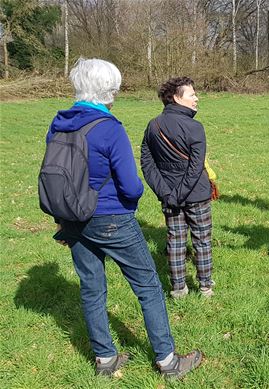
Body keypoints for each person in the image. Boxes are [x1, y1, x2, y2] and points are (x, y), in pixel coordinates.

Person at [47, 58, 202, 378]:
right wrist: (132, 200)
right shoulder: (110, 128)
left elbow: (57, 174)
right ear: (109, 90)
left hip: (72, 219)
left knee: (91, 288)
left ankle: (105, 359)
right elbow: (131, 185)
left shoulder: (58, 123)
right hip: (112, 217)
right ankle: (168, 362)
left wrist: (62, 218)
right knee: (148, 286)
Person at [141, 77, 215, 299]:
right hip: (196, 195)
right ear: (176, 97)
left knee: (175, 240)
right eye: (192, 94)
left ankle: (178, 289)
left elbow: (147, 164)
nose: (196, 98)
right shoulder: (195, 127)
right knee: (202, 240)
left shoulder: (153, 126)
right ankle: (205, 287)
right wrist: (175, 194)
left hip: (170, 196)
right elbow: (196, 167)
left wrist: (165, 193)